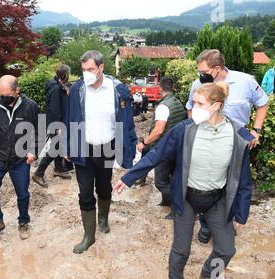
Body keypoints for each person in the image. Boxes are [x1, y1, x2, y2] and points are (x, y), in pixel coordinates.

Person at [114, 82, 253, 279]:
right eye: (193, 102)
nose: (193, 107)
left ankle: (210, 274)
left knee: (226, 249)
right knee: (181, 250)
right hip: (186, 196)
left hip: (217, 199)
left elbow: (243, 179)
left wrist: (242, 212)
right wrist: (128, 178)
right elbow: (156, 155)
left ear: (216, 106)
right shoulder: (185, 130)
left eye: (198, 103)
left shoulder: (236, 135)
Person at [186, 49, 268, 244]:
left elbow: (262, 104)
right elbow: (191, 109)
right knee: (209, 184)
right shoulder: (198, 85)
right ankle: (206, 225)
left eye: (204, 71)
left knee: (235, 184)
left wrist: (256, 130)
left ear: (217, 68)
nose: (200, 75)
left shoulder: (245, 81)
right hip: (208, 141)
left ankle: (227, 221)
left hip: (237, 140)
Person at [63, 50, 137, 254]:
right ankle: (89, 236)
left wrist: (129, 150)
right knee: (85, 192)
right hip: (83, 149)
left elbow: (127, 123)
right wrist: (67, 146)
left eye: (91, 69)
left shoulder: (117, 90)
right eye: (84, 69)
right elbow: (69, 119)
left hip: (106, 149)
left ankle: (103, 219)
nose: (86, 73)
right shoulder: (78, 89)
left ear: (101, 68)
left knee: (104, 188)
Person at [0, 75, 40, 240]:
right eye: (1, 94)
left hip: (20, 158)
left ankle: (23, 222)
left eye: (6, 95)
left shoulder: (30, 107)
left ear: (17, 91)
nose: (3, 98)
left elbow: (39, 131)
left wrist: (33, 150)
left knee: (23, 194)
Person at [136, 77, 186, 219]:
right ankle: (166, 201)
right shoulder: (177, 102)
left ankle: (178, 209)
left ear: (160, 89)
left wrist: (144, 143)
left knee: (160, 182)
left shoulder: (163, 107)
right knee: (170, 178)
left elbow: (158, 131)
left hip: (164, 148)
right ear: (173, 87)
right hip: (175, 146)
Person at [33, 65, 72, 188]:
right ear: (65, 75)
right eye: (68, 73)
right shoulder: (55, 89)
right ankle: (38, 173)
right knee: (55, 148)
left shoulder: (57, 86)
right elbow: (55, 110)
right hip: (56, 123)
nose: (69, 76)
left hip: (57, 123)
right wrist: (58, 126)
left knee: (59, 147)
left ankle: (59, 169)